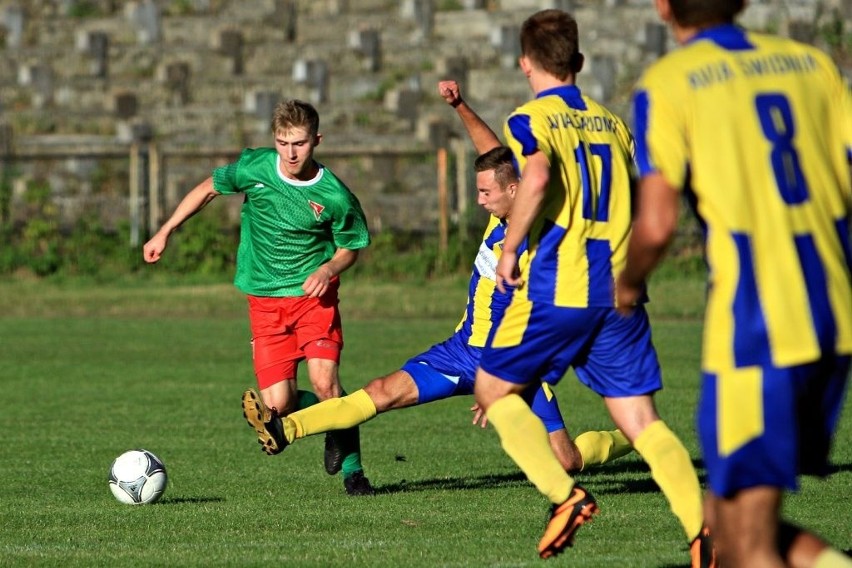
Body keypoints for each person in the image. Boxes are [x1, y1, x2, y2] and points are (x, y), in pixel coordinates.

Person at [243, 80, 634, 476]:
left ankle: (631, 437)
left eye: (485, 194)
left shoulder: (548, 244)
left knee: (566, 461)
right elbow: (491, 155)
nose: (479, 201)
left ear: (515, 190)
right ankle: (286, 427)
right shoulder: (501, 212)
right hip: (462, 350)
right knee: (381, 392)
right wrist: (460, 104)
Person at [470, 9, 712, 565]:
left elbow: (536, 176)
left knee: (492, 391)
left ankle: (566, 497)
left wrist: (509, 249)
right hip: (621, 293)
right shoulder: (614, 124)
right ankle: (702, 533)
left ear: (524, 63)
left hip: (562, 287)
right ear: (579, 62)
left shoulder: (530, 119)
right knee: (641, 423)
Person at [617, 1, 852, 566]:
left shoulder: (669, 83)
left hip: (759, 324)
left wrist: (625, 285)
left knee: (743, 546)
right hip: (834, 312)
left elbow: (656, 224)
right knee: (732, 521)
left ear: (663, 7)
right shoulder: (811, 63)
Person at [142, 99, 375, 496]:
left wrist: (328, 269)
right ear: (274, 140)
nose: (290, 153)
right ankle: (330, 419)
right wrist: (165, 231)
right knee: (278, 405)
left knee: (325, 384)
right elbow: (207, 189)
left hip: (312, 301)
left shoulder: (335, 195)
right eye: (283, 143)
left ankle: (354, 471)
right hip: (264, 303)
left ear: (317, 140)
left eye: (299, 143)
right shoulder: (255, 168)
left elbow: (350, 246)